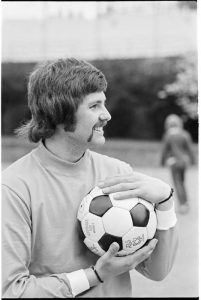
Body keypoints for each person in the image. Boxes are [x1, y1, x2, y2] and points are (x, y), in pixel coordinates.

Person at [2, 58, 178, 298]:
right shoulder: (14, 188)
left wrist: (166, 203)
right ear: (60, 111)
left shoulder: (119, 174)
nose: (107, 115)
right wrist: (94, 276)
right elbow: (12, 291)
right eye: (94, 106)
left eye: (104, 103)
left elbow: (157, 272)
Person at [160, 114, 195, 214]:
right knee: (182, 182)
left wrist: (162, 162)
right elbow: (190, 150)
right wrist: (193, 161)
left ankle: (183, 204)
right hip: (184, 162)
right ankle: (186, 202)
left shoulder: (168, 135)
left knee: (177, 183)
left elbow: (164, 151)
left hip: (174, 162)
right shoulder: (184, 134)